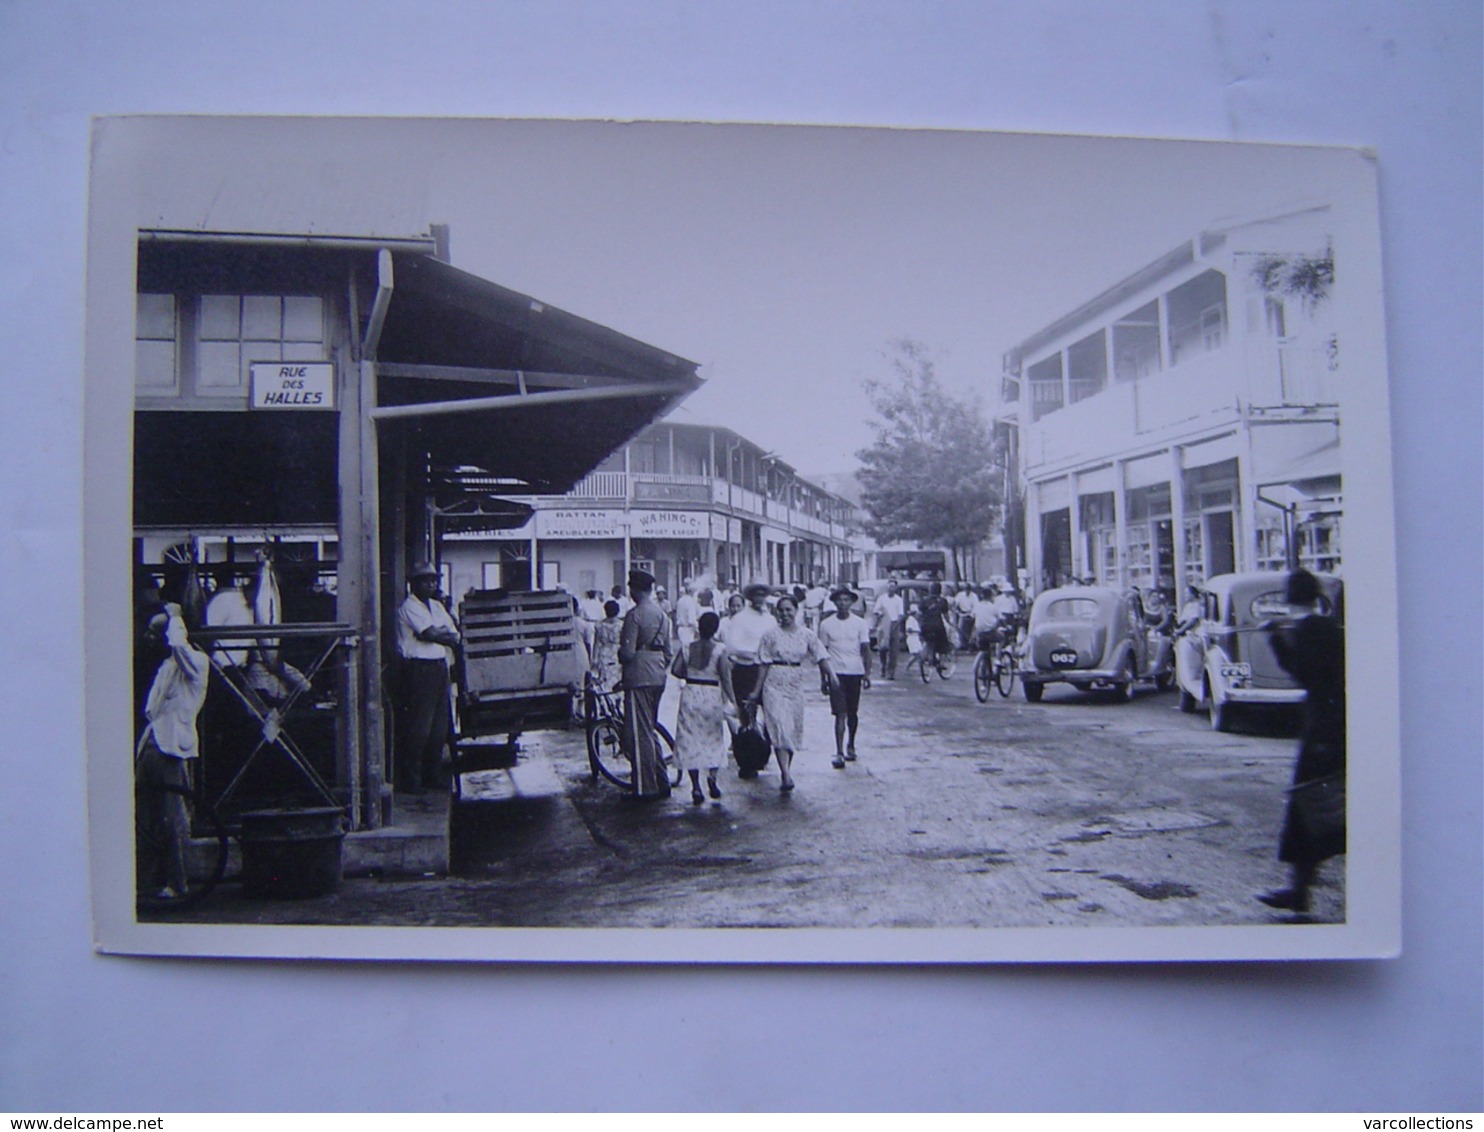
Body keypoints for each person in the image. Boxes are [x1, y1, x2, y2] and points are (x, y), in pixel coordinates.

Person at [1257, 570, 1346, 914]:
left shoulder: (1308, 630)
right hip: (1336, 723)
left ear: (1289, 597)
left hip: (1319, 729)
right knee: (1327, 807)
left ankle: (1299, 894)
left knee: (1308, 810)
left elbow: (1300, 672)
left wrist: (1276, 638)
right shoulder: (1330, 627)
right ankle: (1300, 892)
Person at [135, 603, 210, 899]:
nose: (153, 639)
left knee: (171, 818)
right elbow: (153, 709)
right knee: (146, 816)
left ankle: (178, 882)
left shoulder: (196, 664)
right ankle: (149, 880)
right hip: (152, 743)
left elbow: (179, 645)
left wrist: (176, 618)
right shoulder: (167, 667)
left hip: (171, 749)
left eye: (158, 632)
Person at [752, 593, 834, 792]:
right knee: (779, 725)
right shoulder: (770, 635)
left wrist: (832, 676)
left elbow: (821, 655)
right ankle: (785, 774)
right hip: (774, 683)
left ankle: (786, 767)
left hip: (795, 683)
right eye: (781, 610)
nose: (785, 614)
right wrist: (756, 691)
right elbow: (763, 664)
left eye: (789, 610)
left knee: (791, 728)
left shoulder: (806, 634)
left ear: (796, 611)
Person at [394, 561, 460, 795]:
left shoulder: (436, 606)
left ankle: (432, 776)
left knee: (439, 728)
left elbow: (454, 633)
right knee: (419, 727)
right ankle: (411, 780)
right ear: (414, 584)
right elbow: (429, 633)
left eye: (433, 580)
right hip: (419, 668)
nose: (431, 584)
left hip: (438, 666)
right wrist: (440, 635)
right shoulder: (409, 606)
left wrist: (441, 635)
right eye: (425, 580)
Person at [618, 569, 674, 800]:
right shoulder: (662, 615)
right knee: (649, 729)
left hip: (639, 676)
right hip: (658, 674)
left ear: (634, 589)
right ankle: (661, 780)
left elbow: (628, 653)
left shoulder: (635, 615)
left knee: (638, 734)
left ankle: (645, 787)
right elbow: (669, 653)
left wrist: (622, 656)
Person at [670, 611, 734, 805]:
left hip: (691, 693)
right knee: (713, 739)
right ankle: (712, 779)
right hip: (711, 695)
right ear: (715, 629)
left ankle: (696, 787)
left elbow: (675, 670)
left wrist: (689, 675)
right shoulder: (720, 650)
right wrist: (733, 701)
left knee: (690, 740)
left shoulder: (687, 647)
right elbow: (726, 677)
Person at [719, 583, 777, 775]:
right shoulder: (740, 619)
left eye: (763, 594)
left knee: (769, 713)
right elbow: (732, 646)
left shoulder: (770, 619)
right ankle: (745, 761)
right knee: (744, 715)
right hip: (745, 670)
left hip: (767, 670)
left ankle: (762, 754)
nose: (760, 598)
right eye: (756, 595)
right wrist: (756, 654)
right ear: (750, 597)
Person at [817, 587, 872, 768]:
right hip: (836, 673)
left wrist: (867, 673)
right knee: (840, 714)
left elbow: (865, 649)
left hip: (854, 672)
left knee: (852, 713)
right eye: (839, 600)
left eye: (846, 600)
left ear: (851, 602)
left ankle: (851, 745)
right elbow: (822, 654)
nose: (843, 603)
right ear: (834, 602)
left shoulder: (860, 623)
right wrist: (824, 679)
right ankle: (839, 751)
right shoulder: (826, 625)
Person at [871, 578, 906, 680]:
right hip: (883, 623)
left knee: (894, 650)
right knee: (882, 648)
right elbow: (876, 610)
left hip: (894, 624)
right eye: (889, 586)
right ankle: (883, 666)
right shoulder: (882, 598)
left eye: (893, 586)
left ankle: (891, 672)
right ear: (887, 587)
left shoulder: (898, 600)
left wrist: (896, 623)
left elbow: (901, 614)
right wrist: (880, 614)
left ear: (896, 588)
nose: (891, 588)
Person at [591, 599, 623, 692]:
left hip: (604, 653)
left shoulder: (599, 625)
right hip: (617, 654)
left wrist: (594, 659)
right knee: (617, 680)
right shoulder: (621, 625)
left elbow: (596, 643)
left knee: (604, 681)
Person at [918, 582, 953, 666]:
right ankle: (940, 661)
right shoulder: (943, 601)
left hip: (925, 626)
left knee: (928, 641)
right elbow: (946, 616)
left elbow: (919, 615)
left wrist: (920, 625)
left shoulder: (923, 600)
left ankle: (927, 657)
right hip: (938, 626)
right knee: (943, 642)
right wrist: (950, 624)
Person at [674, 577, 701, 648]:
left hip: (681, 629)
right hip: (688, 629)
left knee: (684, 649)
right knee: (688, 650)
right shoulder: (690, 601)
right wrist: (698, 629)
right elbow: (691, 620)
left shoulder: (680, 600)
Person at [952, 581, 978, 651]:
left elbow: (976, 606)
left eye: (968, 589)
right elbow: (955, 605)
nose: (967, 591)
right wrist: (958, 612)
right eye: (966, 589)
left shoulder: (974, 596)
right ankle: (963, 644)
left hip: (971, 614)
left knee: (971, 630)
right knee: (960, 629)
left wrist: (972, 614)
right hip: (962, 614)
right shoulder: (960, 595)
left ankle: (970, 644)